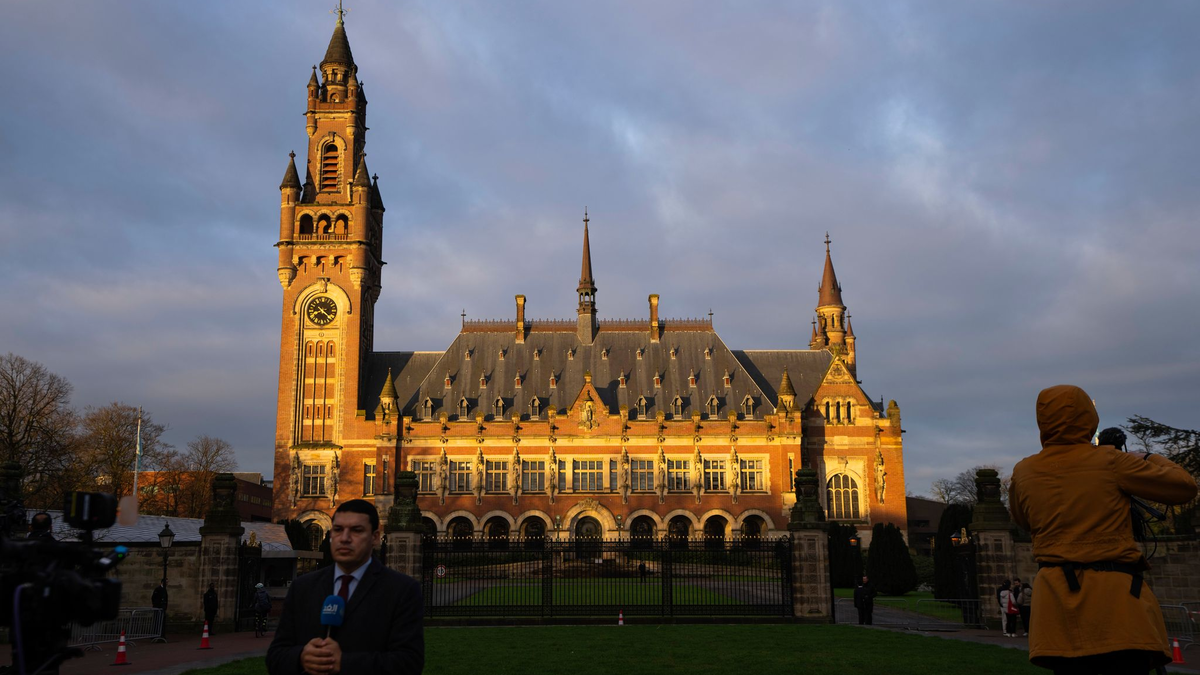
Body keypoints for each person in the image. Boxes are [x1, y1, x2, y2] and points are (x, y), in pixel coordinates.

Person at [1009, 385, 1197, 674]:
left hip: (1056, 603)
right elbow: (1184, 488)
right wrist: (1147, 458)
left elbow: (1024, 520)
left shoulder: (1024, 471)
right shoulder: (1111, 461)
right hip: (1115, 602)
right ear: (1089, 417)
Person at [267, 499, 424, 675]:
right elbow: (275, 656)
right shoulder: (302, 587)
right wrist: (301, 657)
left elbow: (409, 663)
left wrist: (344, 663)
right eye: (338, 530)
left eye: (356, 531)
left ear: (375, 538)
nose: (344, 538)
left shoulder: (402, 590)